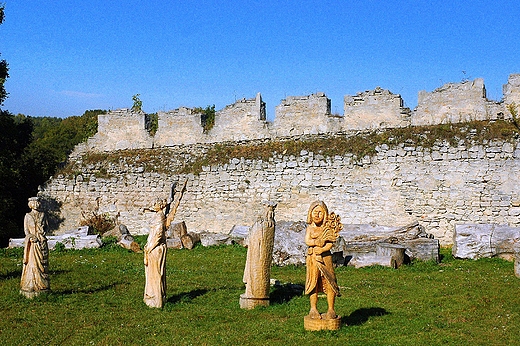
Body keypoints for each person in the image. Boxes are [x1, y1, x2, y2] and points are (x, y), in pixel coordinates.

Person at [304, 200, 341, 320]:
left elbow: (330, 244)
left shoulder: (327, 228)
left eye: (320, 212)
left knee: (329, 282)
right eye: (315, 212)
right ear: (310, 213)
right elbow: (307, 241)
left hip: (325, 259)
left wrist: (323, 249)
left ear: (325, 214)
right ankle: (313, 308)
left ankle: (331, 309)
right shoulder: (310, 228)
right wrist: (315, 243)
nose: (317, 215)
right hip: (313, 258)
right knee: (313, 283)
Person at [20, 197, 50, 298]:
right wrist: (30, 237)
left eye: (38, 202)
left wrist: (43, 233)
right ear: (31, 204)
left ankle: (43, 285)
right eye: (34, 202)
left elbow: (46, 226)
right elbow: (26, 230)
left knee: (43, 263)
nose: (37, 204)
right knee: (33, 264)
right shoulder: (28, 216)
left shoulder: (43, 215)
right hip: (33, 244)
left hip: (42, 242)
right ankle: (32, 284)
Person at [143, 199, 167, 308]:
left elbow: (158, 234)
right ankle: (151, 295)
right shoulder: (157, 215)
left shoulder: (160, 217)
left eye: (155, 203)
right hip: (151, 246)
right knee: (151, 274)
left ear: (161, 205)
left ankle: (156, 299)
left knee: (156, 274)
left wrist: (149, 248)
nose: (153, 205)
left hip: (155, 248)